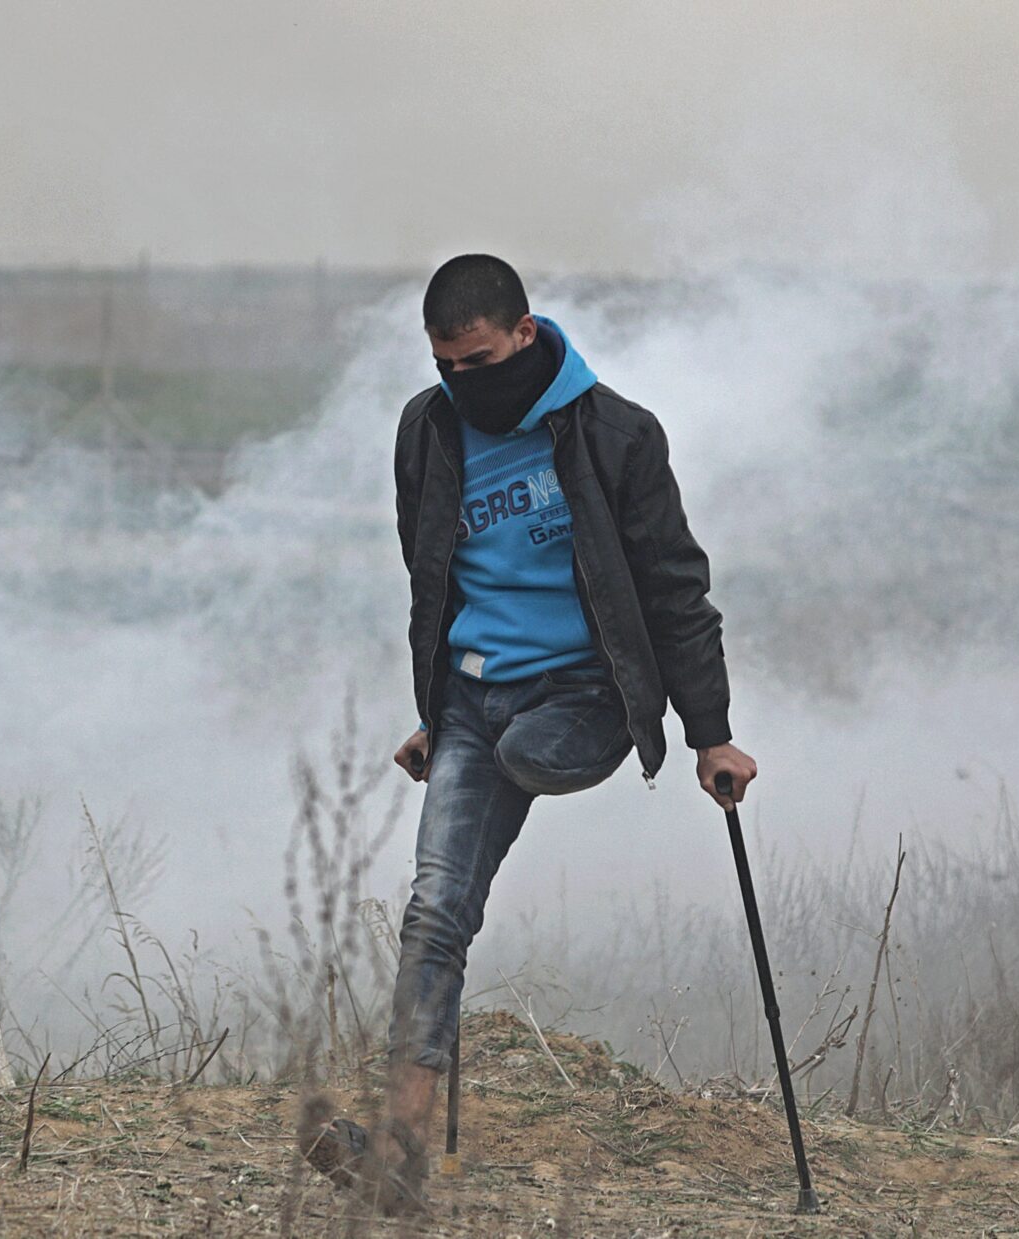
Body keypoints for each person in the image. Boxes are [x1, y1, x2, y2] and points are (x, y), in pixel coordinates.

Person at [299, 254, 756, 1214]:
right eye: (443, 365)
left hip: (582, 699)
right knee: (434, 913)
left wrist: (710, 733)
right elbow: (432, 579)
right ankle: (399, 1151)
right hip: (470, 698)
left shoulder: (615, 434)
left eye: (476, 360)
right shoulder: (427, 430)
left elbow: (676, 588)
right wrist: (432, 710)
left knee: (526, 755)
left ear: (523, 332)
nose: (463, 382)